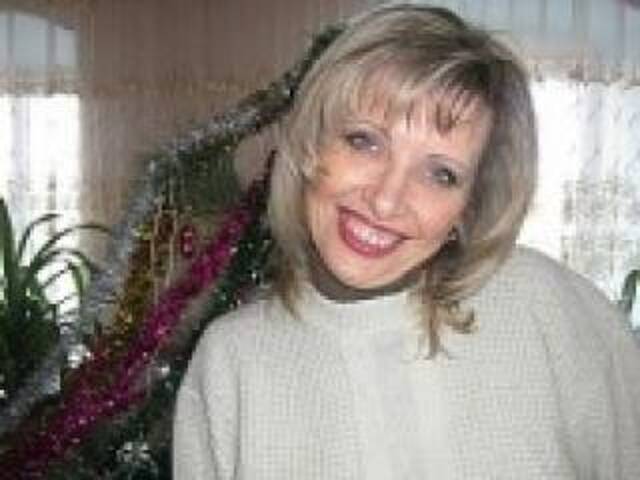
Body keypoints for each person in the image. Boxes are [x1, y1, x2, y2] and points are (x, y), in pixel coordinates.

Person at [173, 4, 640, 479]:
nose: (386, 200)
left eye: (441, 173)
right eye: (364, 141)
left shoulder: (548, 309)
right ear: (311, 145)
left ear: (469, 207)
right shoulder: (230, 362)